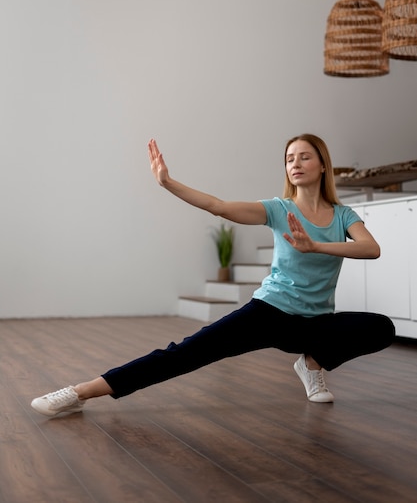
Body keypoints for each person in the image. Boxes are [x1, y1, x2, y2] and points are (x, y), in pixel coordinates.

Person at [31, 134, 395, 417]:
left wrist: (315, 247)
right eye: (289, 159)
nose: (295, 163)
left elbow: (370, 248)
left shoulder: (344, 216)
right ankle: (80, 392)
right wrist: (168, 183)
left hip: (315, 322)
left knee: (381, 327)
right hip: (269, 312)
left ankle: (311, 363)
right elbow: (218, 206)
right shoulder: (278, 209)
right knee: (184, 354)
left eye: (304, 156)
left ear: (323, 166)